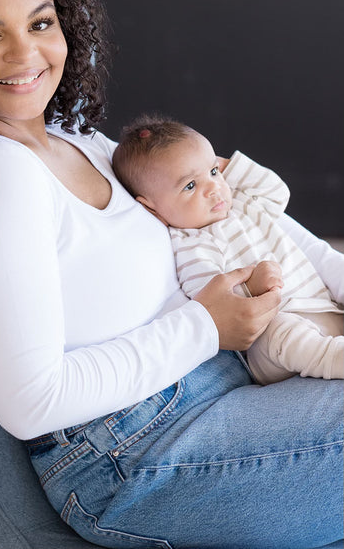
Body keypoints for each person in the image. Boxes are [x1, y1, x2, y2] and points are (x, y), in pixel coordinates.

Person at [0, 0, 343, 549]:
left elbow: (237, 216)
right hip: (133, 457)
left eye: (40, 24)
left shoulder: (78, 138)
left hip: (225, 387)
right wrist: (206, 327)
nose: (25, 56)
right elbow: (30, 400)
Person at [112, 115, 344, 386]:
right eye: (190, 186)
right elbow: (216, 302)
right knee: (282, 332)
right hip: (275, 343)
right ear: (151, 207)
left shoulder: (244, 203)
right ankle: (333, 359)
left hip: (324, 306)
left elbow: (278, 193)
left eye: (213, 172)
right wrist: (253, 287)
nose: (214, 188)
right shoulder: (190, 244)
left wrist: (223, 166)